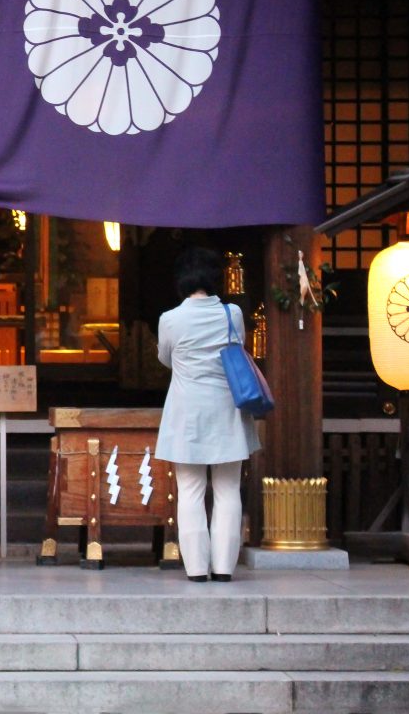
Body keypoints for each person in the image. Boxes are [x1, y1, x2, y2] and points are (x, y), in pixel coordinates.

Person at [153, 246, 260, 582]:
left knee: (190, 489)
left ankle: (197, 569)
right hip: (227, 409)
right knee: (228, 489)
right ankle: (224, 567)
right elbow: (238, 349)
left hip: (186, 410)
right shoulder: (232, 314)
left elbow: (165, 359)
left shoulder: (170, 319)